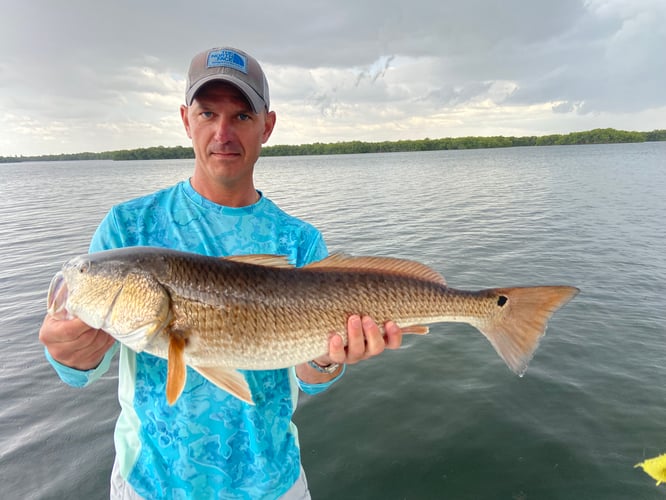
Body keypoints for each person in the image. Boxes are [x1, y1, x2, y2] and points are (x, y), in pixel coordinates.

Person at [39, 47, 403, 499]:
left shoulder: (299, 241)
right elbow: (79, 371)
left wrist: (329, 357)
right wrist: (71, 352)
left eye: (242, 116)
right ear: (185, 119)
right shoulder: (128, 228)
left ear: (267, 126)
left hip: (272, 483)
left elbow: (311, 375)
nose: (222, 132)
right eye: (207, 112)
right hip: (150, 485)